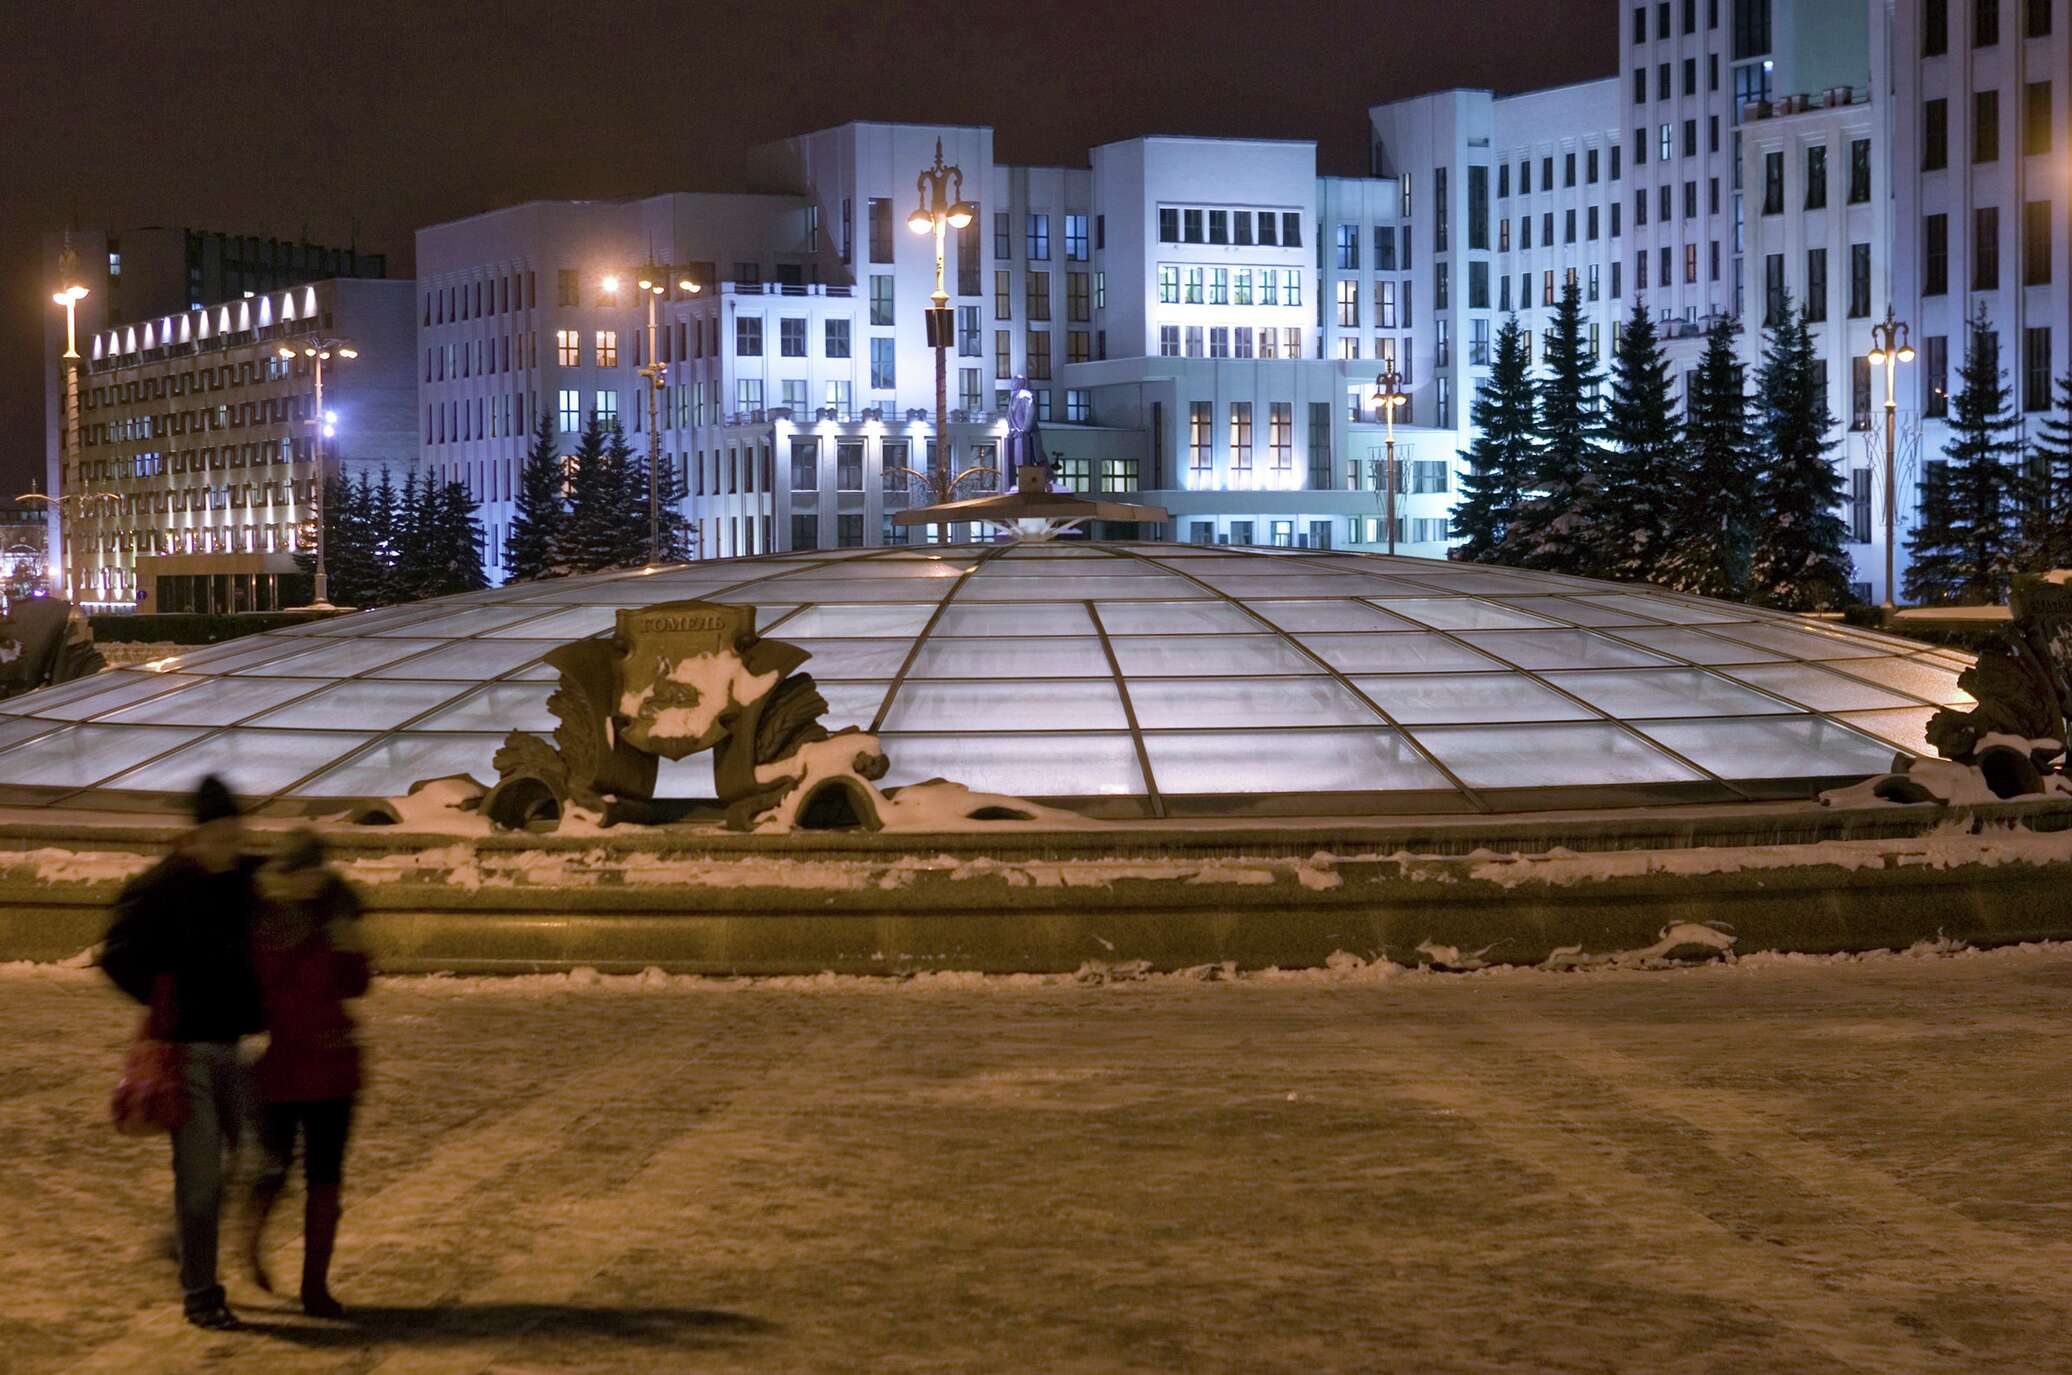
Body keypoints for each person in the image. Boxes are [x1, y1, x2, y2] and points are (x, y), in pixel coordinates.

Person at [101, 775, 265, 1330]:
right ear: (196, 837)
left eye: (235, 835)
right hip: (185, 1056)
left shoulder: (247, 878)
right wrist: (163, 1004)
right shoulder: (165, 886)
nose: (229, 847)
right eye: (219, 837)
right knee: (199, 1179)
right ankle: (201, 1291)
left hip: (236, 1049)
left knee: (263, 1159)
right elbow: (117, 954)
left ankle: (186, 1246)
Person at [240, 828, 367, 1319]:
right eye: (306, 870)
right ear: (286, 874)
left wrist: (348, 946)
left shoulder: (335, 914)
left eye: (320, 869)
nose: (316, 879)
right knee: (272, 1170)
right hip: (279, 1069)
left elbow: (356, 985)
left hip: (335, 1068)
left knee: (326, 1179)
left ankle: (316, 1285)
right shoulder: (260, 923)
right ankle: (249, 1248)